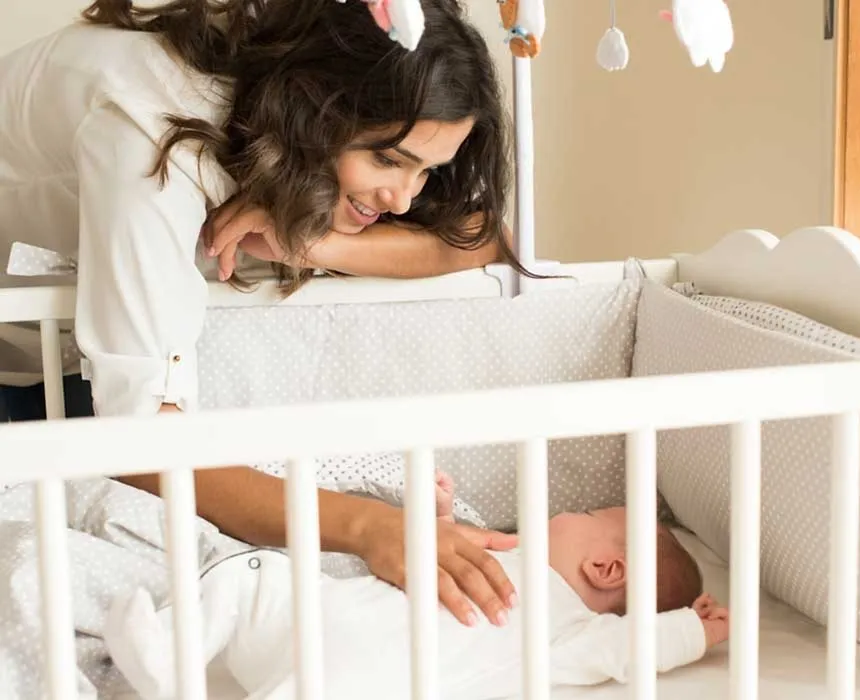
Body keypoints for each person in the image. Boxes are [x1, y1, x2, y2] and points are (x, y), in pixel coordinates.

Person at [0, 0, 530, 627]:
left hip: (66, 367)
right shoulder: (152, 140)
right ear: (316, 107)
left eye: (427, 170)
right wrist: (371, 528)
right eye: (389, 161)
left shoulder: (303, 108)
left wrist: (313, 240)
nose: (402, 198)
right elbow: (143, 445)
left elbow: (485, 238)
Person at [103, 505, 731, 699]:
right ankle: (171, 654)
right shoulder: (497, 551)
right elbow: (414, 554)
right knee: (249, 574)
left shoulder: (564, 629)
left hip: (366, 678)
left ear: (606, 567)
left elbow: (623, 648)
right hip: (316, 613)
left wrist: (689, 633)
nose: (568, 509)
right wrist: (435, 516)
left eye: (591, 514)